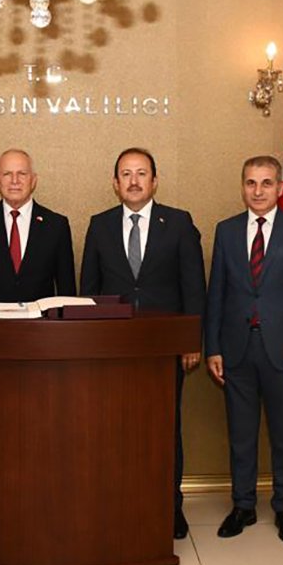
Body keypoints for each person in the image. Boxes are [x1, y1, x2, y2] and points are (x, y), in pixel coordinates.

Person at [81, 148, 206, 539]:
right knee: (114, 430)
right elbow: (88, 292)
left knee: (165, 429)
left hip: (164, 350)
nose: (133, 181)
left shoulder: (179, 223)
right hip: (112, 351)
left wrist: (191, 341)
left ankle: (170, 507)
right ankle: (118, 503)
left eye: (141, 173)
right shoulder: (99, 225)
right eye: (126, 174)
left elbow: (194, 288)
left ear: (154, 181)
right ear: (115, 183)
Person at [204, 156, 283, 545]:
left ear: (280, 188)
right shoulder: (226, 231)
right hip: (236, 350)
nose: (258, 191)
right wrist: (213, 347)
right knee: (241, 435)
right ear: (242, 186)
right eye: (251, 183)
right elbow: (216, 294)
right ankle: (243, 505)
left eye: (266, 183)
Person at [0, 149, 75, 305]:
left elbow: (67, 291)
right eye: (7, 174)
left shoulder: (57, 226)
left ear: (34, 180)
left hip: (41, 320)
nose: (15, 180)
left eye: (22, 174)